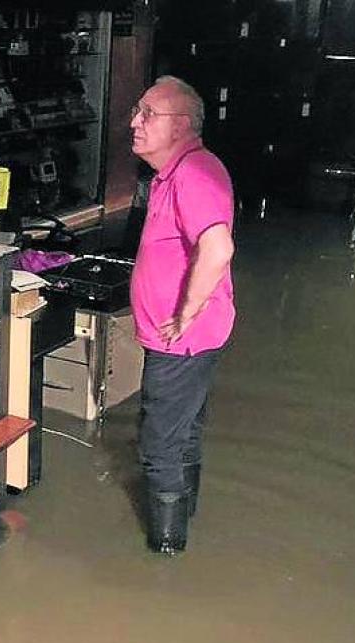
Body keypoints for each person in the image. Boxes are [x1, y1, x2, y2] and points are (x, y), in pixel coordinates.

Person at [128, 76, 236, 555]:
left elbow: (217, 248)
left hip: (182, 340)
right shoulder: (175, 174)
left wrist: (185, 313)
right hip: (187, 336)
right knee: (184, 429)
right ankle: (184, 520)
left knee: (159, 445)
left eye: (149, 114)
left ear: (183, 126)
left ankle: (167, 547)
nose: (135, 122)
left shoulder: (194, 174)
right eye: (138, 111)